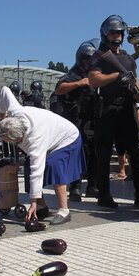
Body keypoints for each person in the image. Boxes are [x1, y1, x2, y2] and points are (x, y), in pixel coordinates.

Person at [0, 86, 84, 224]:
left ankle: (64, 210)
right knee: (27, 166)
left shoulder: (35, 140)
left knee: (54, 165)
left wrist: (32, 202)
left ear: (19, 138)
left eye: (12, 142)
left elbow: (37, 172)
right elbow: (4, 90)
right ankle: (42, 207)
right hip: (51, 136)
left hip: (67, 137)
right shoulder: (15, 111)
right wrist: (2, 114)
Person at [88, 14, 139, 208]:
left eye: (119, 32)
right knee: (104, 153)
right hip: (108, 107)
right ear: (106, 34)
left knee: (137, 152)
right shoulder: (99, 55)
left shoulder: (129, 59)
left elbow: (135, 81)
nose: (117, 35)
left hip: (128, 108)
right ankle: (104, 195)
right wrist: (115, 77)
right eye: (113, 32)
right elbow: (94, 80)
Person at [54, 39, 100, 201]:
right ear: (80, 59)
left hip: (92, 120)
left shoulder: (95, 73)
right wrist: (79, 83)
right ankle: (75, 187)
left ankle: (93, 186)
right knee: (77, 153)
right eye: (87, 59)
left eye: (92, 60)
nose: (90, 62)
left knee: (94, 153)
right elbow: (59, 89)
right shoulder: (73, 74)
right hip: (76, 120)